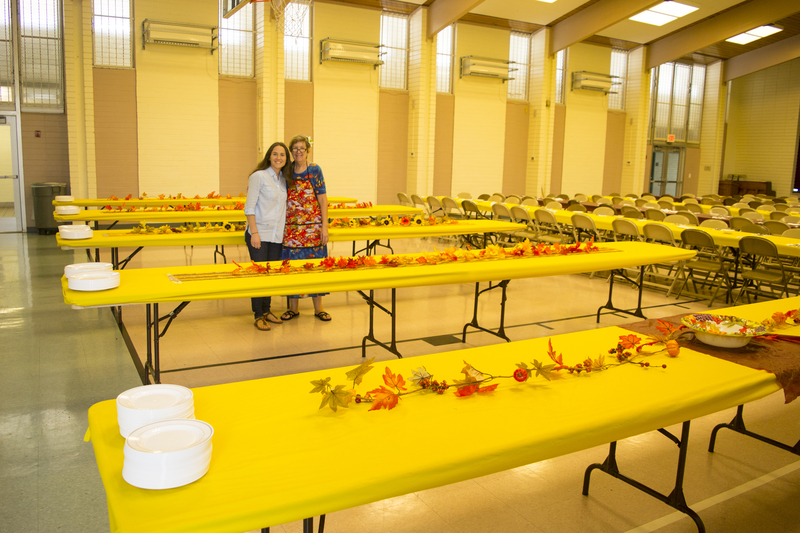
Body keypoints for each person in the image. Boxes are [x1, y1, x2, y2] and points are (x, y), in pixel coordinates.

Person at [281, 134, 331, 322]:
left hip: (313, 229)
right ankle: (293, 308)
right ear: (291, 151)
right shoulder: (287, 170)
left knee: (315, 267)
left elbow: (323, 199)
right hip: (292, 230)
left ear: (307, 150)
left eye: (302, 148)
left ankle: (319, 308)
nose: (298, 152)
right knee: (292, 268)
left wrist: (324, 227)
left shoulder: (315, 170)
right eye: (295, 149)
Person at [244, 142, 292, 331]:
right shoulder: (259, 176)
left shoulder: (283, 180)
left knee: (270, 274)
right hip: (259, 234)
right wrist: (254, 233)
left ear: (286, 159)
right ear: (269, 156)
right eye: (275, 154)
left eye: (282, 154)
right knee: (259, 275)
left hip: (276, 235)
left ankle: (267, 311)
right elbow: (249, 208)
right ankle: (258, 315)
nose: (279, 157)